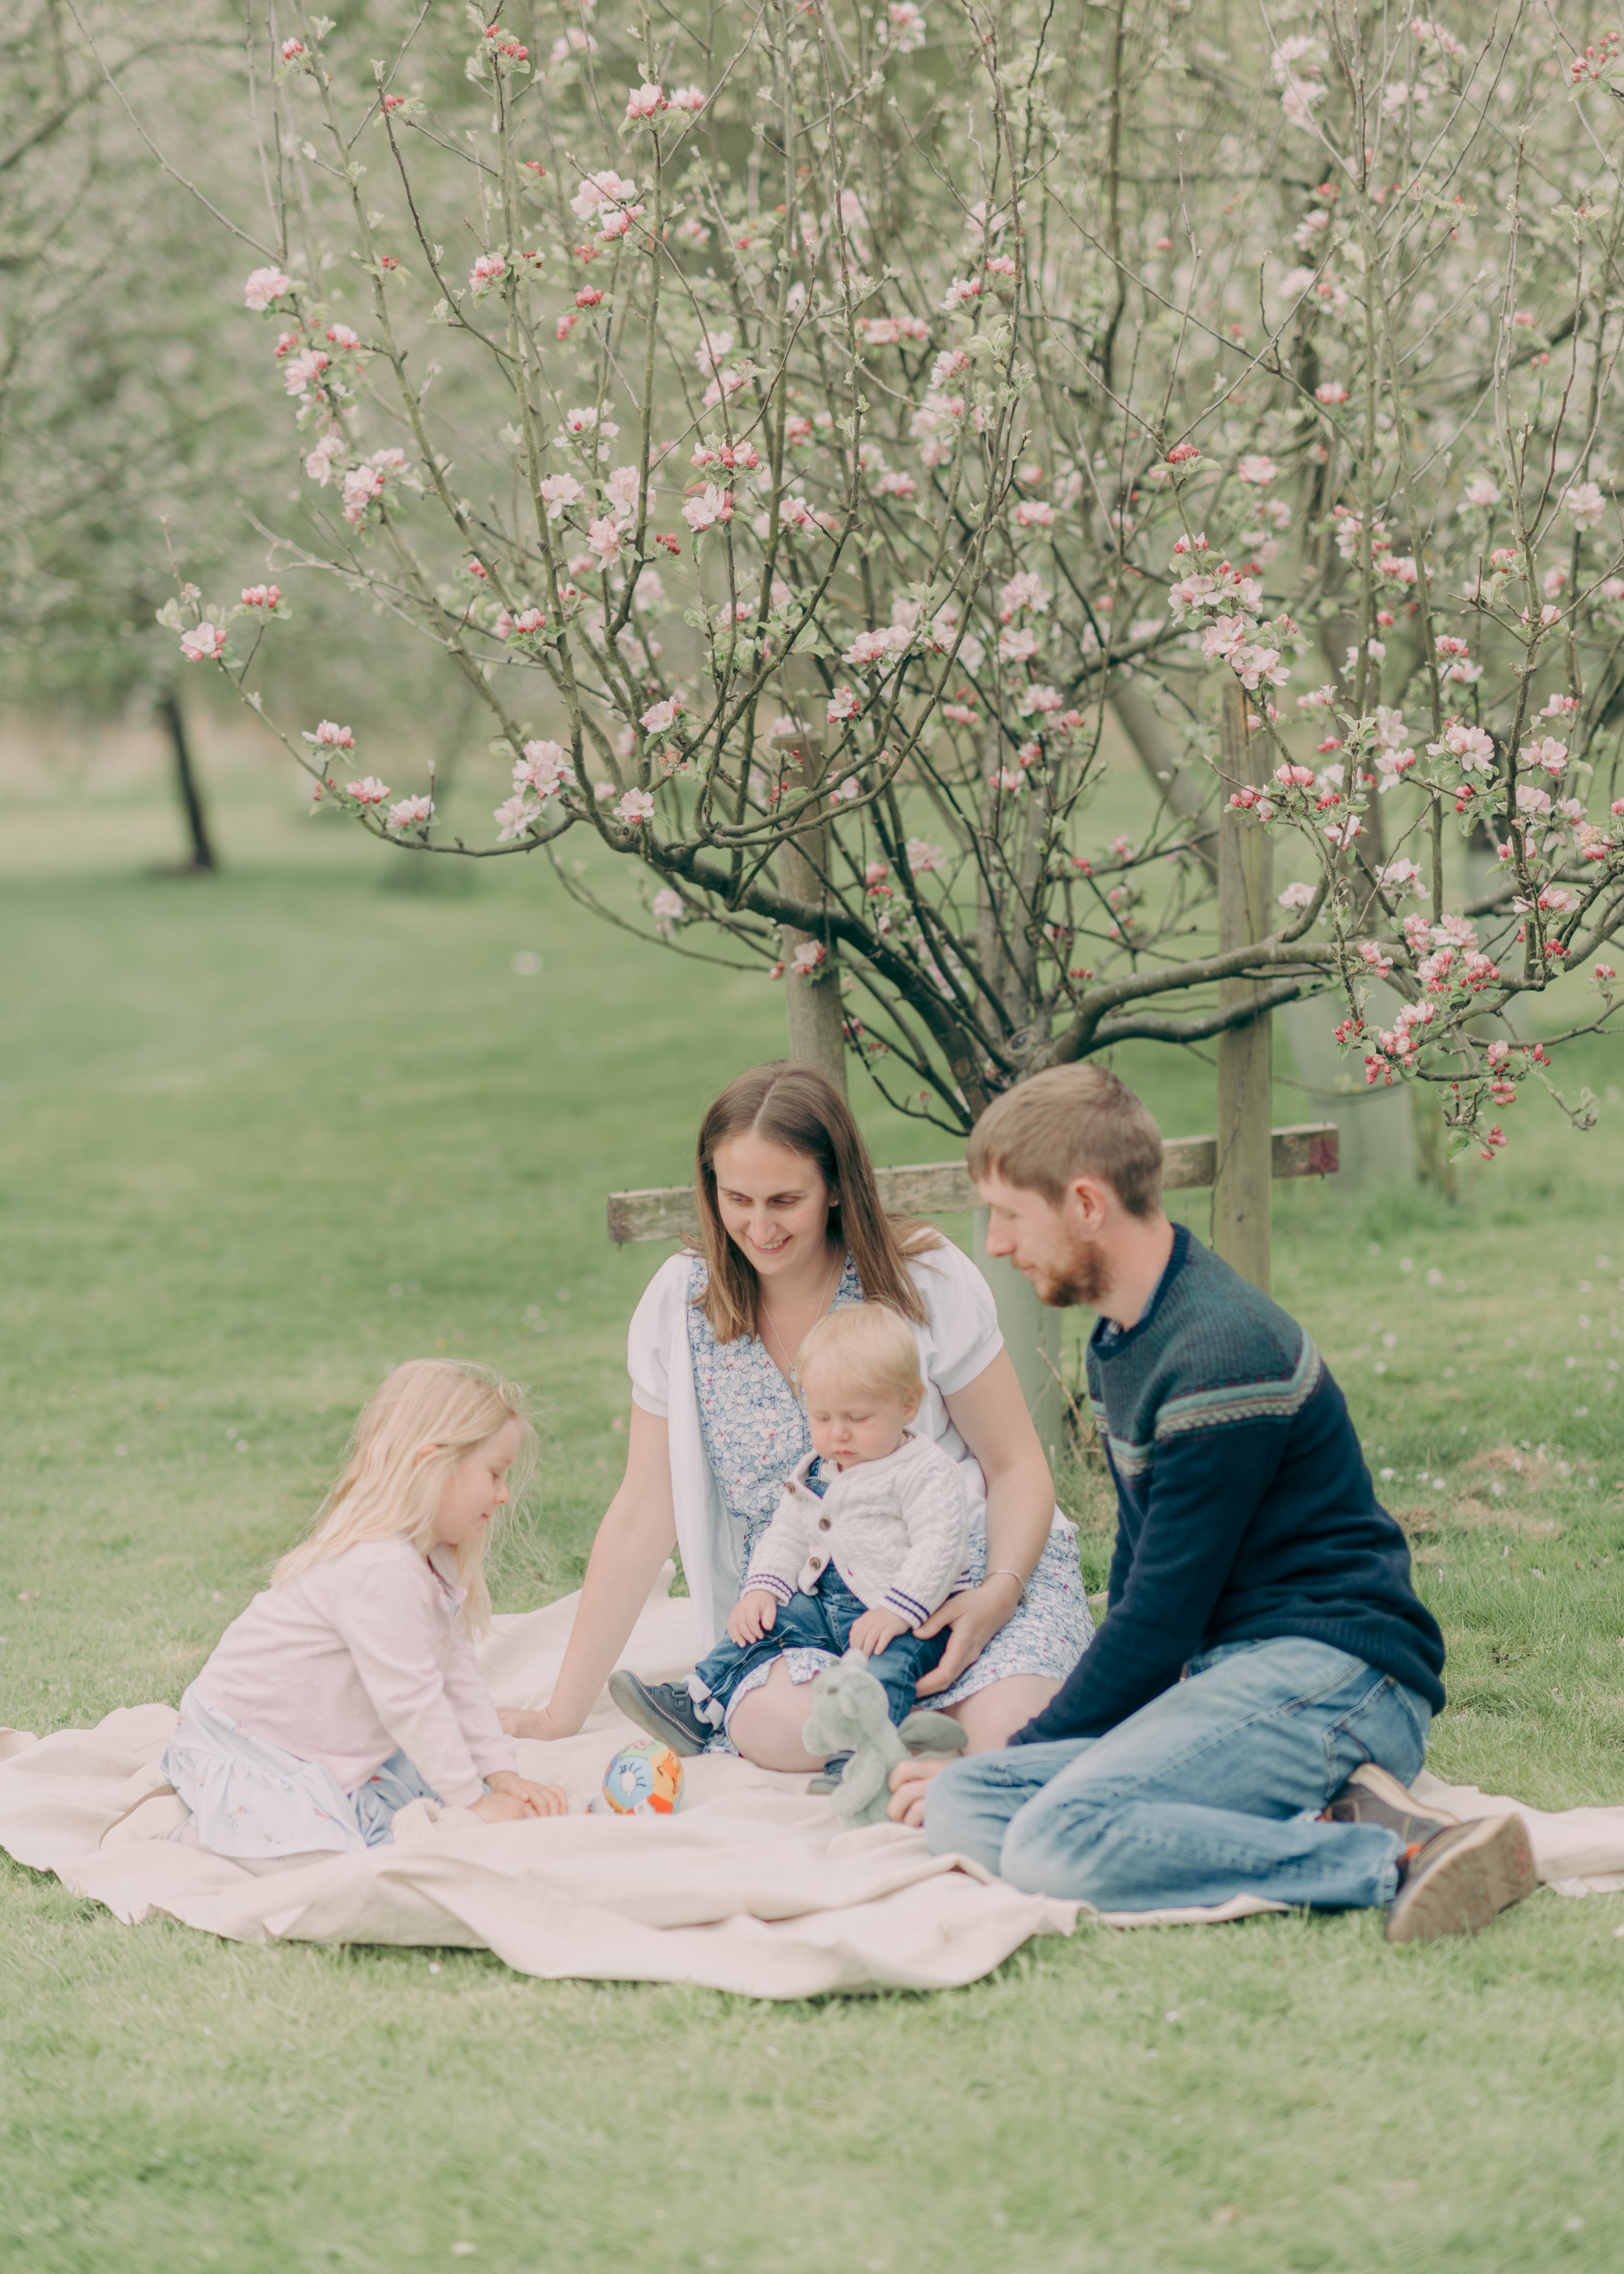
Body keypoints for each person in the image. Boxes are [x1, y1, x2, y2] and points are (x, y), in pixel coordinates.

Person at [887, 1064, 1537, 1945]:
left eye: (1008, 1214)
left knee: (1052, 1840)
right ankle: (1336, 1813)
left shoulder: (1219, 1356)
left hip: (1338, 1674)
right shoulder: (1125, 1338)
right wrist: (1019, 1763)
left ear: (1084, 1204)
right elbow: (1137, 1576)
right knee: (965, 1800)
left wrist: (1031, 1749)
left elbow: (1160, 1616)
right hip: (1238, 1676)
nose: (997, 1243)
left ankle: (1400, 1855)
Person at [499, 1061, 1093, 1770]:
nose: (758, 1225)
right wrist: (561, 1712)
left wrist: (998, 1594)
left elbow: (1015, 1464)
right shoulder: (680, 1304)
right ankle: (898, 1748)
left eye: (784, 1199)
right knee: (778, 1723)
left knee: (1012, 1729)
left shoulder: (923, 1277)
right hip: (808, 1613)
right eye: (736, 1197)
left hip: (960, 1577)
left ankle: (913, 1743)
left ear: (836, 1186)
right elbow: (640, 1514)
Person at [164, 1361, 567, 1858]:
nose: (505, 1495)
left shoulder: (430, 1559)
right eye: (495, 1474)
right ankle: (200, 1829)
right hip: (247, 1740)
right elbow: (413, 1702)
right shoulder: (380, 1568)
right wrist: (471, 1805)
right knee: (319, 1855)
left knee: (422, 1784)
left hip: (310, 1732)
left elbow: (455, 1679)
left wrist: (500, 1778)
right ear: (432, 1464)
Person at [670, 1303, 971, 1751]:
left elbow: (939, 1549)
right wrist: (762, 1589)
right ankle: (697, 1702)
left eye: (857, 1418)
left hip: (906, 1615)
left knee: (880, 1673)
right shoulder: (818, 1470)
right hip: (826, 1605)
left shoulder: (924, 1472)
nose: (838, 1435)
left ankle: (864, 1753)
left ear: (907, 1405)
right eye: (823, 1418)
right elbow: (788, 1532)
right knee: (764, 1627)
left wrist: (896, 1610)